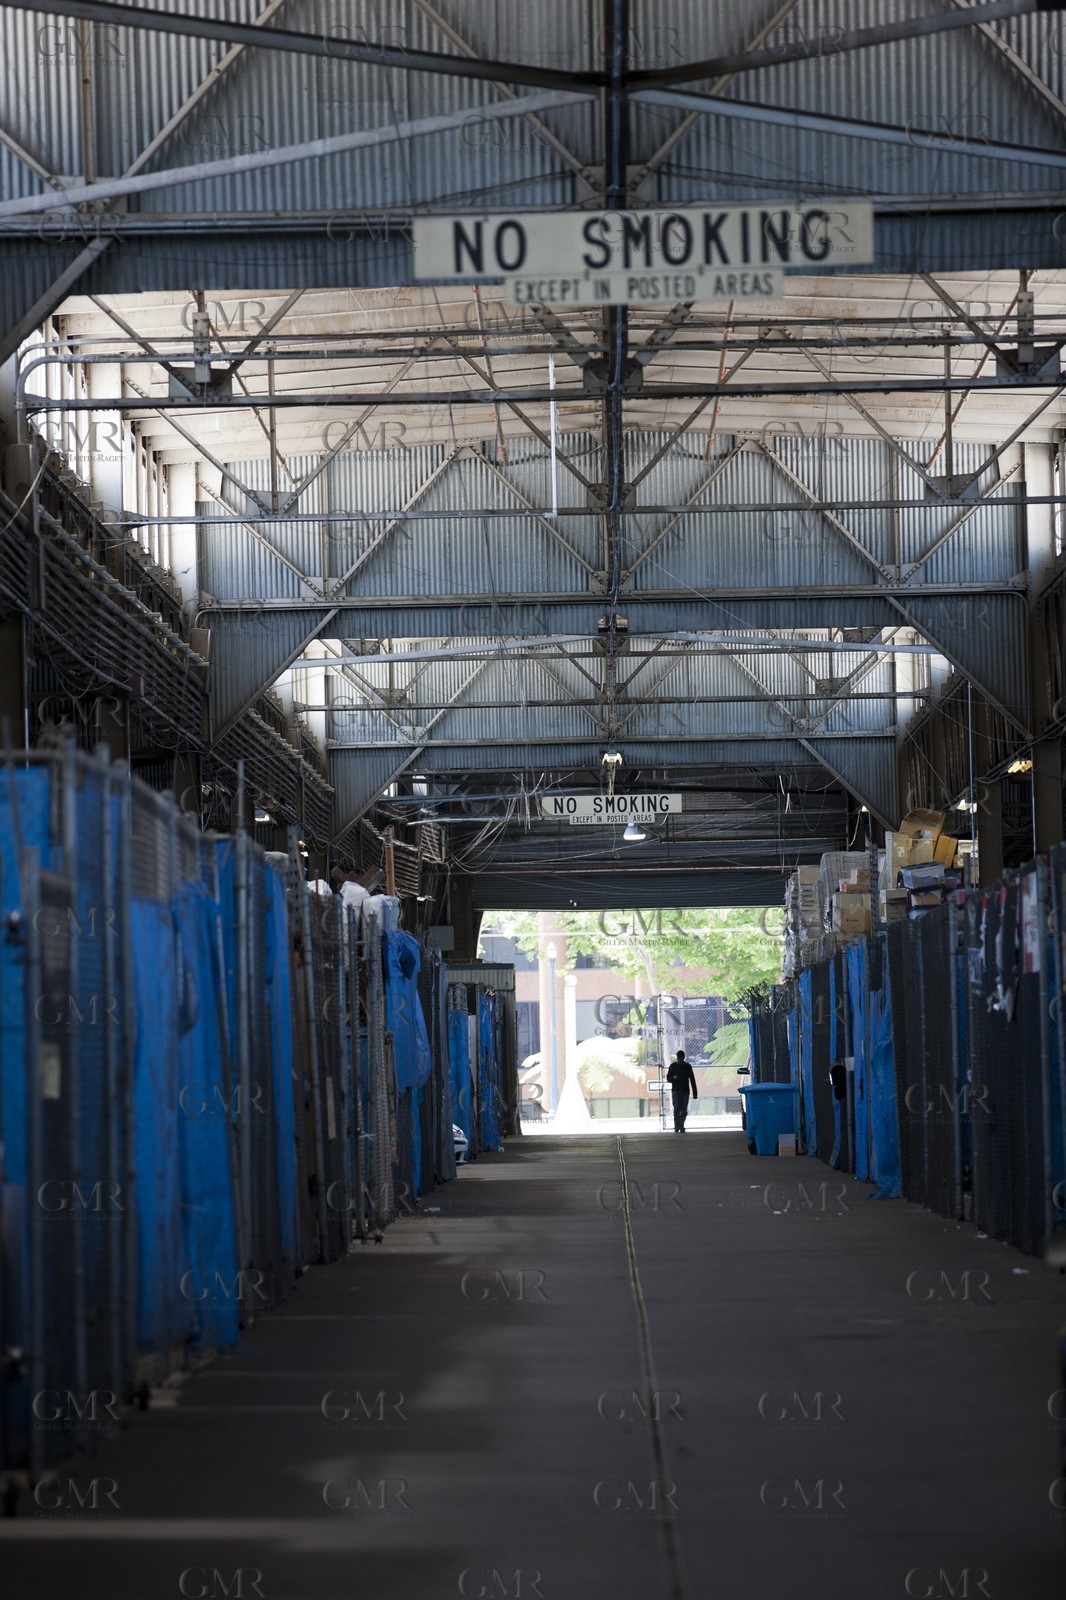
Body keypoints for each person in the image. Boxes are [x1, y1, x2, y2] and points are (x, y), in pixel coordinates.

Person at [666, 1050, 698, 1133]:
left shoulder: (687, 1066)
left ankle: (680, 1125)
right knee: (677, 1108)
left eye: (680, 1058)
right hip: (677, 1091)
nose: (679, 1059)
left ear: (683, 1058)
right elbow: (668, 1078)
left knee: (683, 1109)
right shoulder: (673, 1066)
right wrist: (673, 1078)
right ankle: (677, 1126)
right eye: (678, 1058)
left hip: (684, 1091)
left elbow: (692, 1080)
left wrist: (695, 1092)